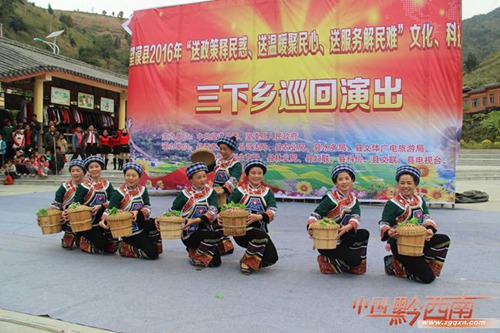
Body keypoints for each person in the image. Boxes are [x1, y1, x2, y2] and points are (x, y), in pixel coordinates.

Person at [379, 165, 451, 284]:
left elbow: (426, 217)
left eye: (409, 183)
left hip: (418, 242)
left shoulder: (420, 200)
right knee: (428, 278)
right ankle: (392, 264)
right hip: (401, 246)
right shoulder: (392, 204)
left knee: (443, 240)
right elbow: (384, 222)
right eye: (402, 183)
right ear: (398, 184)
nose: (405, 186)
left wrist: (429, 229)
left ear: (415, 184)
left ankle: (419, 262)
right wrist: (389, 232)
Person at [306, 164, 369, 275]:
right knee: (356, 261)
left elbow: (356, 216)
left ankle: (343, 261)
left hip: (343, 236)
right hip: (328, 242)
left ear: (352, 180)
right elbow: (315, 215)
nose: (344, 182)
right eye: (340, 179)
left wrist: (348, 227)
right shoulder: (330, 199)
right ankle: (325, 259)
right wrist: (311, 225)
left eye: (347, 178)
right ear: (336, 182)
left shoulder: (353, 200)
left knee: (364, 234)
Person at [223, 159, 278, 275]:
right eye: (253, 173)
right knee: (258, 235)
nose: (256, 176)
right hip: (241, 232)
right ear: (247, 174)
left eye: (259, 173)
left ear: (263, 175)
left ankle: (250, 257)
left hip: (262, 232)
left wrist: (257, 217)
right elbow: (227, 208)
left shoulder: (267, 192)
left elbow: (272, 210)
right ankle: (247, 262)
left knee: (272, 258)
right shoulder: (239, 191)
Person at [100, 162, 161, 259]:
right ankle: (124, 247)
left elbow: (148, 206)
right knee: (152, 254)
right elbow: (110, 209)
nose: (130, 178)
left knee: (158, 223)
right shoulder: (119, 193)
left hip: (141, 221)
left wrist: (138, 212)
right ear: (124, 176)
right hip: (128, 228)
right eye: (128, 175)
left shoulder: (143, 190)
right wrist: (103, 220)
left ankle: (147, 242)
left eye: (134, 175)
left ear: (139, 177)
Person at [166, 162, 221, 268]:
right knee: (215, 236)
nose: (203, 180)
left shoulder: (211, 193)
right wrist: (161, 218)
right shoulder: (184, 194)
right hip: (189, 233)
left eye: (204, 176)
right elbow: (174, 211)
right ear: (191, 179)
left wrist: (196, 220)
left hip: (206, 229)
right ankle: (194, 251)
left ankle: (195, 251)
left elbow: (213, 211)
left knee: (215, 263)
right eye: (199, 177)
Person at [73, 155, 116, 254]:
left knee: (111, 247)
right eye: (91, 167)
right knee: (102, 246)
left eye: (97, 166)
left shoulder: (107, 184)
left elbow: (114, 200)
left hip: (104, 219)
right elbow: (76, 204)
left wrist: (101, 206)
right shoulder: (83, 186)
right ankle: (82, 237)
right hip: (88, 222)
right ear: (88, 170)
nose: (94, 169)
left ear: (101, 168)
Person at [207, 136, 242, 255]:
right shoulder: (217, 162)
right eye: (220, 149)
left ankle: (226, 245)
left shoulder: (236, 164)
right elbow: (204, 169)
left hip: (227, 196)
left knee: (224, 219)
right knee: (213, 218)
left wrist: (223, 190)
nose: (222, 152)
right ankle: (219, 243)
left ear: (231, 149)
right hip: (215, 193)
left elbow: (234, 179)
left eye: (225, 149)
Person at [49, 159, 87, 249]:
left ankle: (80, 235)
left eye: (78, 171)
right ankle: (69, 235)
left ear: (84, 173)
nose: (75, 173)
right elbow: (57, 202)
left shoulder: (89, 185)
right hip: (66, 215)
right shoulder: (64, 186)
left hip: (84, 215)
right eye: (73, 171)